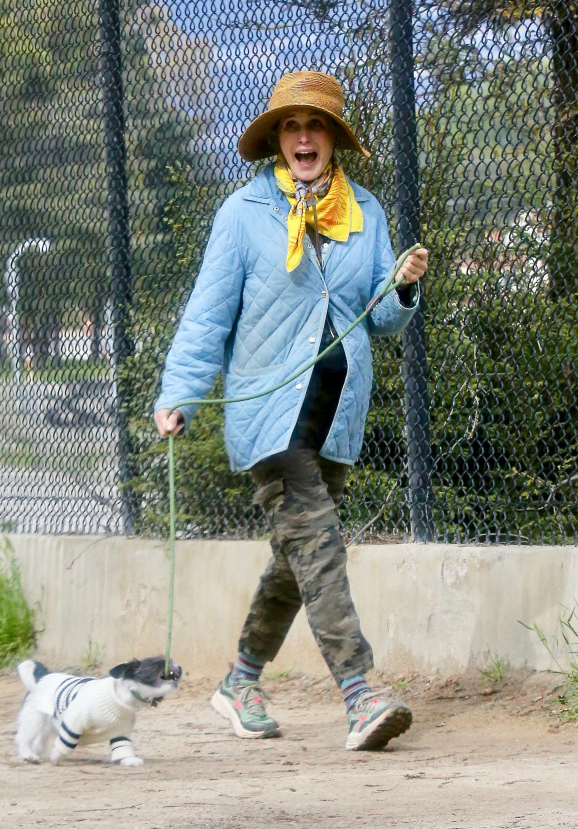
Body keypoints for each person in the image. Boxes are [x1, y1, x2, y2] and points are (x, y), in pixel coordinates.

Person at [154, 70, 428, 751]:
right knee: (320, 545)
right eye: (292, 126)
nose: (304, 137)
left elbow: (382, 319)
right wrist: (178, 392)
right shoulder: (243, 215)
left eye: (317, 126)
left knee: (296, 555)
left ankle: (240, 679)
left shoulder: (365, 212)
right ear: (277, 140)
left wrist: (400, 287)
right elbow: (207, 314)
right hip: (267, 421)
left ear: (333, 139)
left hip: (336, 415)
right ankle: (360, 695)